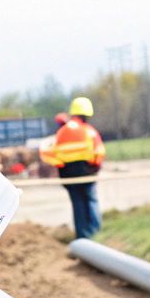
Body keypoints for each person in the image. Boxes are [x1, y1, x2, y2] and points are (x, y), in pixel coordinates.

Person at [43, 96, 107, 238]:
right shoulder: (88, 131)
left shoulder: (62, 132)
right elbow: (99, 152)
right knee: (90, 200)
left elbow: (50, 154)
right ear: (86, 114)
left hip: (68, 175)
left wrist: (62, 167)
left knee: (77, 203)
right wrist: (95, 168)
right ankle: (96, 233)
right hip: (87, 173)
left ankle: (82, 235)